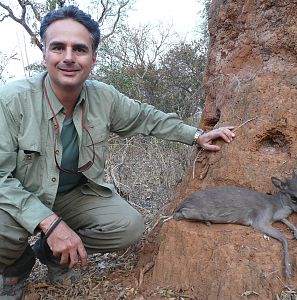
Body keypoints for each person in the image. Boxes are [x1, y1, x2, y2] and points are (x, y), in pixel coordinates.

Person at [0, 5, 235, 299]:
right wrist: (50, 223)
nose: (69, 57)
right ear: (44, 53)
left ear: (93, 58)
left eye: (80, 49)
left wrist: (196, 134)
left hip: (75, 196)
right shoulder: (12, 100)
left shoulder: (104, 97)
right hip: (22, 195)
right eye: (58, 47)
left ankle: (52, 255)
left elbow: (146, 118)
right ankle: (15, 265)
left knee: (128, 226)